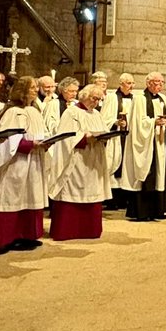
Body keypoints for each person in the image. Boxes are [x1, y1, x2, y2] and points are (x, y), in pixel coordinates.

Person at [46, 83, 111, 239]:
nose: (96, 102)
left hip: (93, 160)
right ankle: (68, 230)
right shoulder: (72, 113)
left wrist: (103, 137)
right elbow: (66, 137)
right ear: (85, 97)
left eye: (99, 100)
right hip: (76, 160)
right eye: (94, 99)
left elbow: (103, 132)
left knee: (92, 192)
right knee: (72, 191)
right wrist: (84, 138)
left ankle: (89, 230)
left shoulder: (96, 114)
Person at [0, 76, 49, 248]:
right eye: (32, 87)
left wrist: (47, 142)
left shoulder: (35, 111)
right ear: (22, 90)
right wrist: (29, 144)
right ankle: (11, 237)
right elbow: (8, 139)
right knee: (14, 195)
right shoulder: (12, 112)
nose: (35, 89)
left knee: (31, 194)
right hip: (17, 162)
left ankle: (28, 235)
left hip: (34, 161)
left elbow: (43, 132)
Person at [121, 72, 166, 222]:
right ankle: (143, 212)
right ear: (149, 83)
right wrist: (153, 123)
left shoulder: (164, 99)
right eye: (157, 82)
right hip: (147, 143)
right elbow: (138, 123)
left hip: (161, 143)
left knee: (161, 175)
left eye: (162, 82)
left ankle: (159, 210)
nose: (160, 85)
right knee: (148, 173)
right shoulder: (140, 99)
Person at [105, 73, 135, 210]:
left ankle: (126, 199)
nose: (131, 86)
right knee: (114, 166)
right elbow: (104, 118)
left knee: (127, 167)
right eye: (128, 83)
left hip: (129, 138)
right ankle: (112, 200)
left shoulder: (135, 99)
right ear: (121, 84)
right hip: (116, 137)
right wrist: (116, 122)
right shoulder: (112, 98)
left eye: (132, 83)